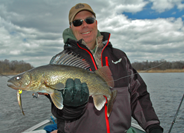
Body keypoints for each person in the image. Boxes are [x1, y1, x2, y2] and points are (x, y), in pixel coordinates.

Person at [45, 3, 163, 133]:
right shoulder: (60, 64)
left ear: (96, 23)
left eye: (89, 20)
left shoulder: (119, 56)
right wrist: (71, 107)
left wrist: (152, 125)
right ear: (71, 27)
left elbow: (138, 94)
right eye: (77, 22)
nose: (84, 25)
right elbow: (59, 112)